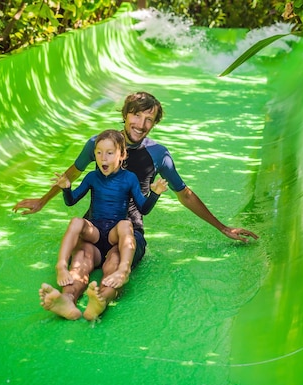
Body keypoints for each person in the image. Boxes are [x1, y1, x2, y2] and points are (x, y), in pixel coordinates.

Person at [14, 91, 259, 320]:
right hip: (95, 229)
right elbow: (74, 173)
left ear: (154, 124)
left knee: (116, 262)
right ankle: (67, 300)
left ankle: (100, 300)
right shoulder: (99, 144)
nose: (141, 124)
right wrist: (43, 200)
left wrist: (223, 228)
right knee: (82, 257)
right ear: (125, 114)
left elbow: (184, 194)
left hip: (128, 234)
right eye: (136, 115)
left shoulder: (158, 154)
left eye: (149, 119)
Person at [52, 129, 167, 319]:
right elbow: (71, 200)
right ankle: (65, 288)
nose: (103, 158)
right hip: (95, 233)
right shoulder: (91, 177)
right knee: (76, 223)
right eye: (98, 152)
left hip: (115, 236)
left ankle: (116, 280)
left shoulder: (129, 178)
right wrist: (66, 188)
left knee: (124, 225)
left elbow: (143, 208)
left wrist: (155, 194)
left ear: (122, 155)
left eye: (110, 153)